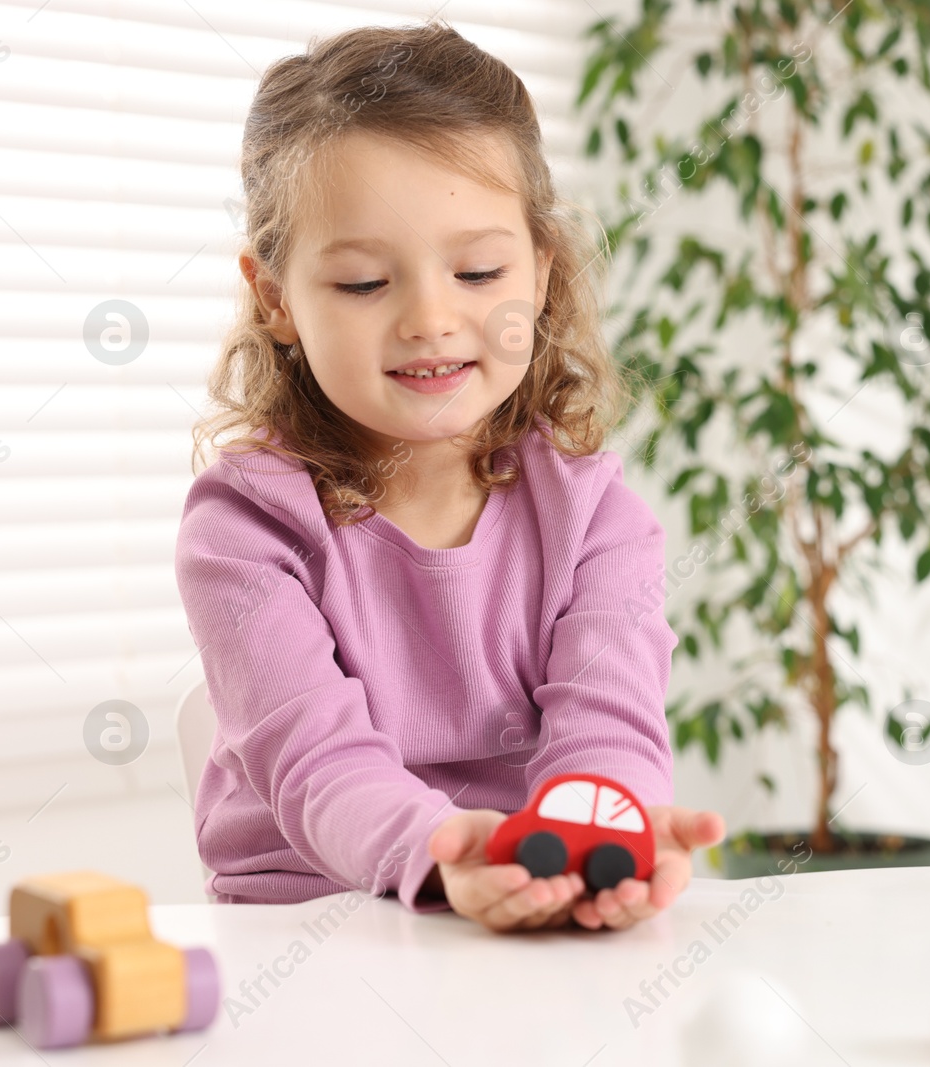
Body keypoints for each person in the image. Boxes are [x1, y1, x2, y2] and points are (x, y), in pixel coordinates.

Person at [175, 20, 723, 933]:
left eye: (476, 270)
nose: (431, 317)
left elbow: (605, 727)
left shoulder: (596, 519)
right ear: (275, 297)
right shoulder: (243, 528)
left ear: (542, 273)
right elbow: (320, 764)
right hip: (309, 925)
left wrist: (600, 844)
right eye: (361, 284)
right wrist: (453, 855)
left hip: (532, 912)